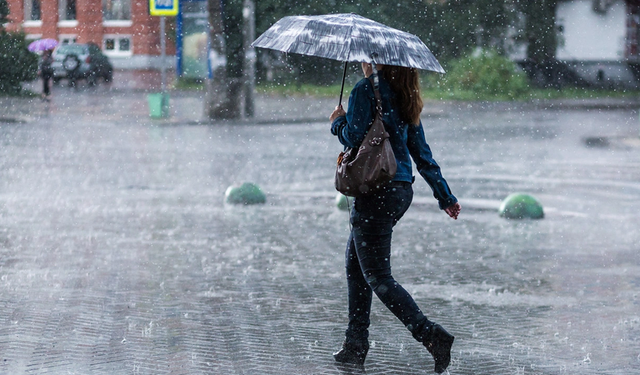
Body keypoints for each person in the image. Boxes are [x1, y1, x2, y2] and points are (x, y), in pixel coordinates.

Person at [329, 62, 461, 374]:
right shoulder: (406, 94)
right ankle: (354, 345)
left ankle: (431, 336)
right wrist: (445, 196)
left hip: (375, 188)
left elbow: (352, 137)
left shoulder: (365, 90)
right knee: (356, 267)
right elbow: (422, 154)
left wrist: (337, 122)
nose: (363, 61)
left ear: (377, 60)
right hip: (400, 190)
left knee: (378, 276)